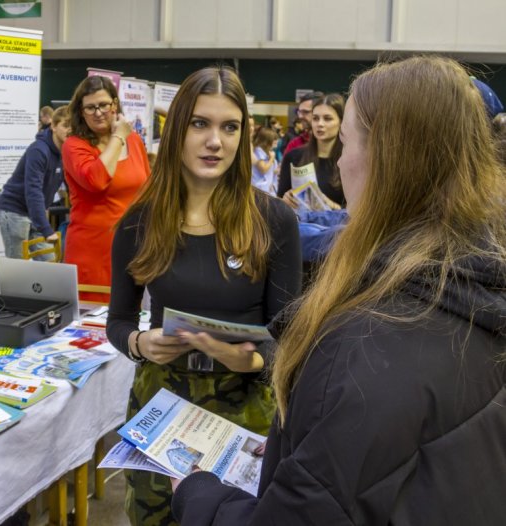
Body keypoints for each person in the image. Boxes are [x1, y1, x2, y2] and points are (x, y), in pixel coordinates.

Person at [171, 56, 506, 525]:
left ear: (390, 162)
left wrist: (199, 496)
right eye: (200, 124)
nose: (339, 162)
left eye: (346, 141)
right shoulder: (474, 288)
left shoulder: (364, 342)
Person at [107, 66, 301, 526]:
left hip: (245, 408)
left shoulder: (273, 221)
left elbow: (288, 337)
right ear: (176, 131)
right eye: (200, 124)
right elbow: (118, 321)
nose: (215, 141)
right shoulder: (139, 222)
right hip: (161, 406)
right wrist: (139, 344)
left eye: (229, 127)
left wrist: (249, 361)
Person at [62, 76, 150, 299]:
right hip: (93, 251)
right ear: (81, 112)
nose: (98, 112)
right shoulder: (74, 146)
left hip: (133, 247)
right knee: (94, 325)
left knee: (130, 319)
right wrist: (118, 136)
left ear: (114, 105)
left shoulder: (135, 141)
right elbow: (96, 180)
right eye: (90, 108)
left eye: (103, 105)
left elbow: (147, 188)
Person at [0, 106, 70, 260]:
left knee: (50, 265)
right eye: (66, 125)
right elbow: (33, 190)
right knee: (18, 270)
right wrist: (46, 228)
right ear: (54, 126)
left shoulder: (64, 153)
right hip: (15, 212)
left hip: (36, 213)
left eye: (73, 126)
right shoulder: (39, 150)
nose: (70, 130)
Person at [278, 93, 346, 209]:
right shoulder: (294, 156)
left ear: (341, 122)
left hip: (338, 226)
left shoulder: (348, 161)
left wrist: (332, 206)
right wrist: (285, 200)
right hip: (300, 225)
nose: (320, 124)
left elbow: (358, 211)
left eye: (327, 119)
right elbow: (279, 199)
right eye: (315, 118)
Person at [281, 90, 324, 155]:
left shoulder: (338, 143)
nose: (300, 116)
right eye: (299, 112)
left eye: (305, 112)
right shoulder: (296, 143)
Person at [250, 126, 279, 195]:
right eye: (274, 140)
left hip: (268, 189)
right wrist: (272, 158)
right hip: (260, 189)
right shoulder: (258, 151)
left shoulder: (267, 152)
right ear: (267, 141)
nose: (276, 142)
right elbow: (263, 169)